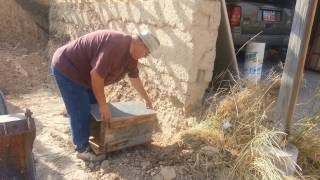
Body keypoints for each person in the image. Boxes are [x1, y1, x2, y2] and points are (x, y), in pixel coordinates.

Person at [51, 29, 160, 161]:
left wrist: (146, 98)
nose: (145, 56)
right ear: (141, 44)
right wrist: (103, 105)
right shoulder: (116, 45)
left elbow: (134, 78)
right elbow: (96, 75)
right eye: (147, 53)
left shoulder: (131, 56)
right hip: (68, 67)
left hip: (85, 75)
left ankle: (88, 134)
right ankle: (81, 148)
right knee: (82, 110)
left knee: (94, 107)